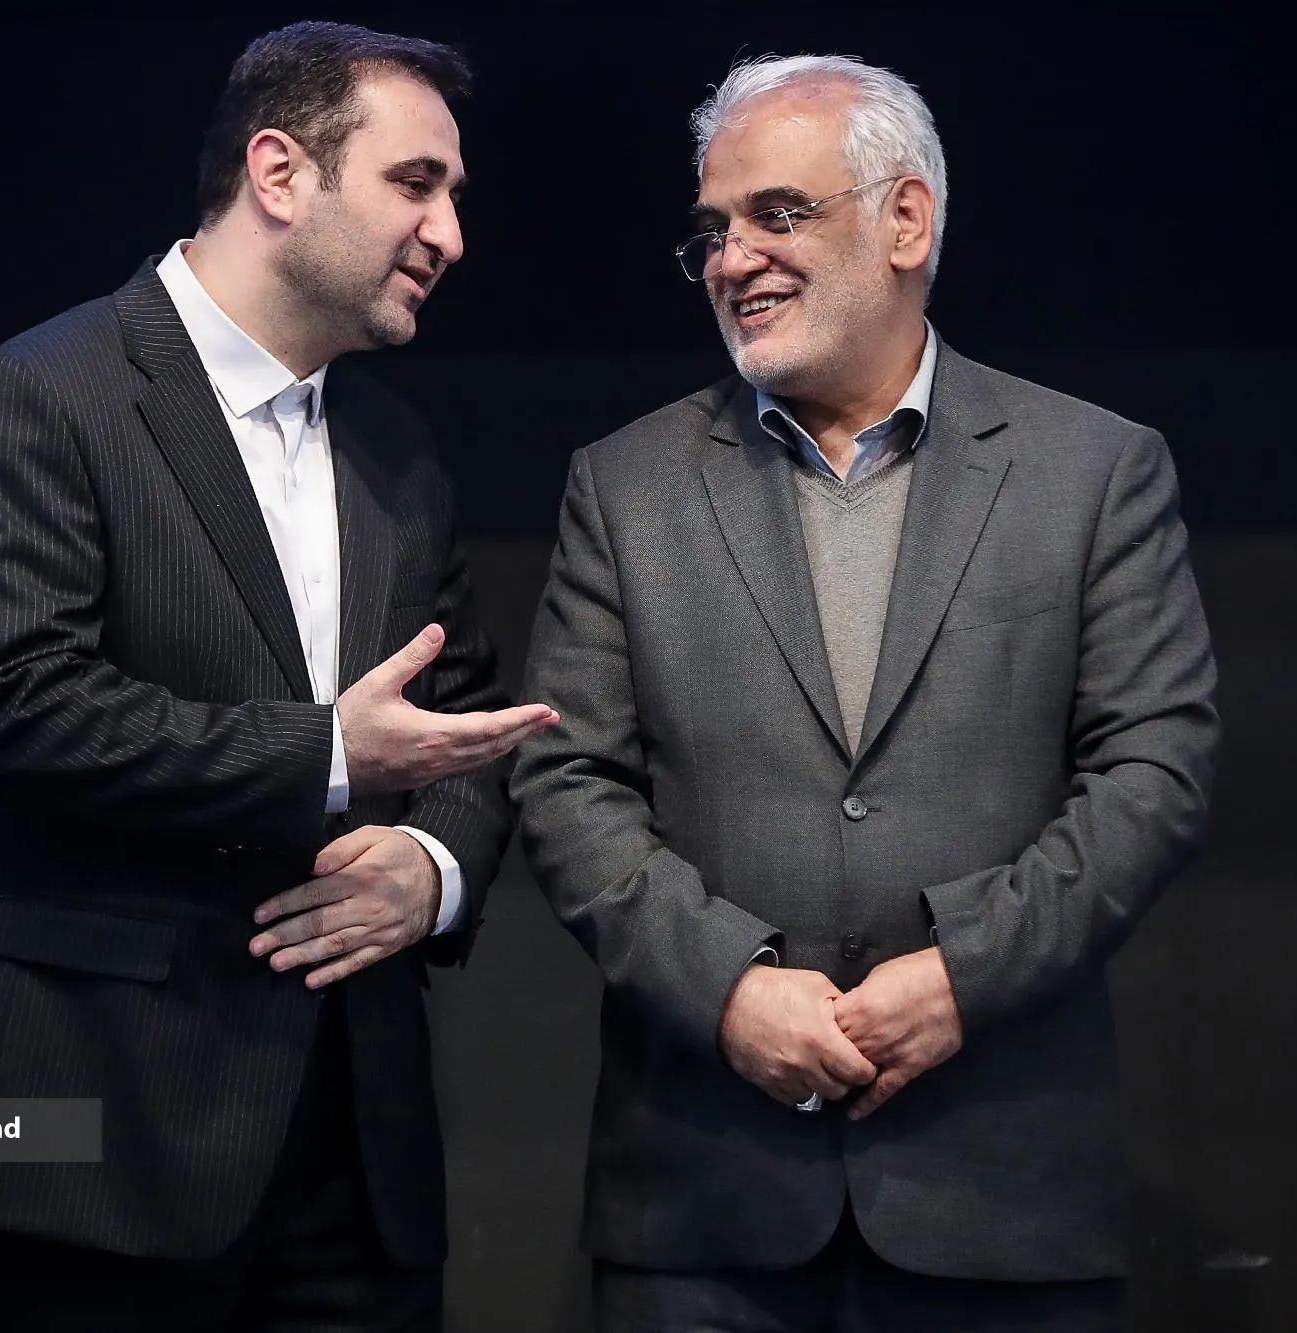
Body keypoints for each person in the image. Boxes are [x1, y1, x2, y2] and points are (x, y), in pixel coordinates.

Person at [0, 21, 555, 1332]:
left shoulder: (399, 449)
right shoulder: (36, 396)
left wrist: (431, 869)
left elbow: (459, 723)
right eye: (416, 183)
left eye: (454, 196)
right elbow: (18, 703)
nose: (451, 234)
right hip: (87, 1148)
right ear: (278, 172)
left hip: (354, 1157)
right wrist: (329, 756)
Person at [511, 53, 1220, 1332]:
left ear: (906, 221)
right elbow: (566, 782)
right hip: (701, 1208)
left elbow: (1152, 771)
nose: (731, 259)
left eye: (776, 214)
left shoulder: (1094, 470)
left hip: (1001, 1195)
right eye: (713, 230)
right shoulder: (623, 486)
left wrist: (965, 974)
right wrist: (727, 987)